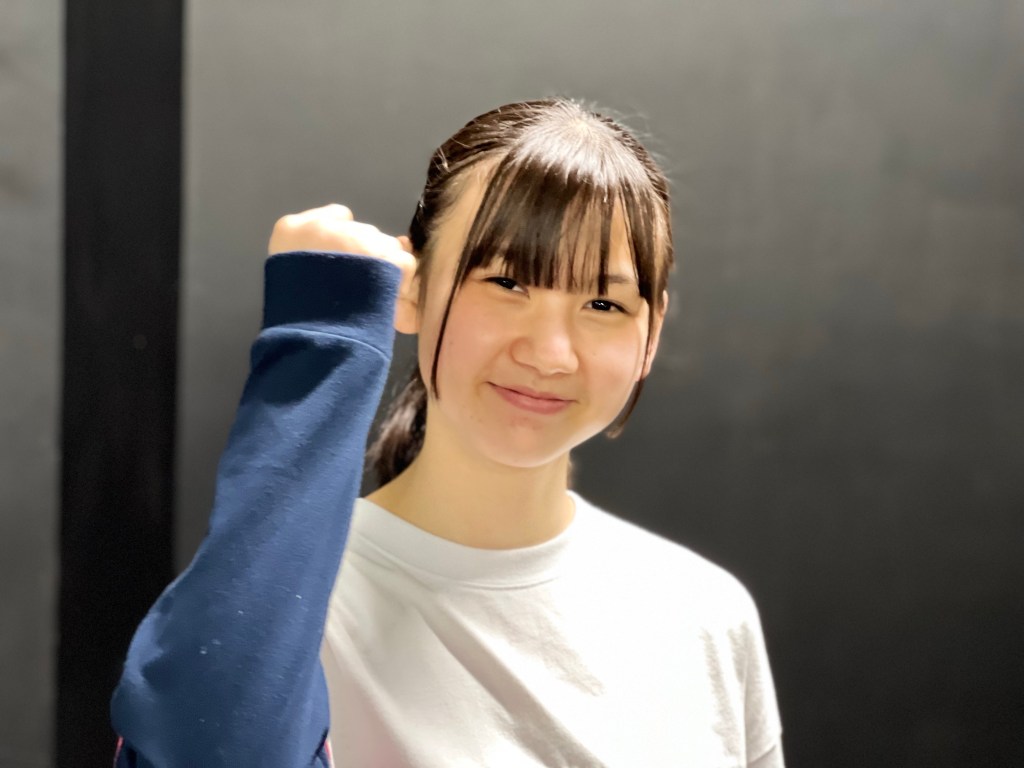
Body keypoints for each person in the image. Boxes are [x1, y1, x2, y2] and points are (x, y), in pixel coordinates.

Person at [111, 98, 784, 767]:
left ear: (652, 332)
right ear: (411, 289)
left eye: (603, 303)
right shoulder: (290, 605)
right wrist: (322, 340)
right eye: (507, 282)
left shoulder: (706, 614)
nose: (551, 353)